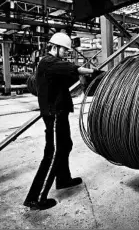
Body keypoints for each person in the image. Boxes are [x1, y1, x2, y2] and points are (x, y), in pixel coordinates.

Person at [23, 32, 102, 210]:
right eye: (64, 50)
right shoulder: (48, 62)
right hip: (54, 114)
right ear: (55, 47)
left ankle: (63, 179)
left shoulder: (53, 65)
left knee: (65, 145)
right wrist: (94, 72)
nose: (66, 53)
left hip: (60, 112)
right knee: (53, 153)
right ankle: (36, 198)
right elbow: (73, 68)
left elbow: (70, 77)